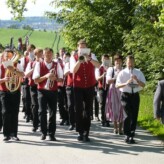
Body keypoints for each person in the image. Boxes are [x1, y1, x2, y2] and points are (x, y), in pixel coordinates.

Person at [70, 39, 100, 142]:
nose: (82, 48)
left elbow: (98, 65)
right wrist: (79, 60)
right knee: (78, 109)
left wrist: (90, 59)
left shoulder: (92, 55)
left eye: (84, 46)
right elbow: (73, 70)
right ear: (78, 47)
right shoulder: (73, 57)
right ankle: (79, 132)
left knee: (88, 110)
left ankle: (86, 132)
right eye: (80, 46)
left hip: (89, 86)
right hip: (78, 86)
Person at [33, 48, 63, 141]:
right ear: (43, 55)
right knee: (42, 112)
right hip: (42, 91)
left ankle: (51, 133)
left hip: (53, 91)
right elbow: (35, 80)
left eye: (50, 54)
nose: (48, 55)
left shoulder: (56, 64)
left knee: (53, 113)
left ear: (52, 55)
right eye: (46, 54)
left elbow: (61, 79)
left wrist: (56, 79)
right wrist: (46, 76)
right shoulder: (38, 64)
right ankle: (43, 132)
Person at [116, 55, 146, 144]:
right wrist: (126, 83)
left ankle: (132, 134)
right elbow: (117, 85)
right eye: (129, 62)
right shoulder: (122, 73)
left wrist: (137, 80)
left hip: (135, 95)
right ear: (126, 62)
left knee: (134, 115)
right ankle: (127, 134)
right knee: (127, 115)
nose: (130, 64)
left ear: (134, 62)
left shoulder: (138, 72)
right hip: (125, 95)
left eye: (132, 62)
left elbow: (143, 85)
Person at [0, 49, 24, 141]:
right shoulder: (0, 66)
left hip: (15, 91)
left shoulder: (17, 65)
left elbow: (22, 75)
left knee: (15, 112)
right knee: (5, 112)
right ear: (3, 57)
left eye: (10, 56)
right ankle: (6, 134)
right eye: (7, 56)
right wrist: (3, 80)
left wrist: (13, 70)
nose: (8, 58)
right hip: (4, 91)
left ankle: (14, 133)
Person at [25, 48, 43, 132]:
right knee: (35, 105)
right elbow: (26, 75)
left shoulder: (44, 63)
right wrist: (34, 67)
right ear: (35, 55)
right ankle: (35, 124)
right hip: (33, 87)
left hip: (42, 86)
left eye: (41, 54)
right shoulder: (31, 63)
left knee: (42, 107)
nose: (40, 56)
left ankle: (41, 124)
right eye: (38, 54)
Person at [105, 54, 124, 134]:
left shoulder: (124, 69)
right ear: (114, 61)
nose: (118, 62)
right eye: (116, 60)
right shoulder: (111, 69)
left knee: (122, 108)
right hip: (113, 90)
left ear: (122, 61)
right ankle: (115, 127)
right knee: (114, 108)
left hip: (122, 90)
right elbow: (108, 80)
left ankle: (120, 128)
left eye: (119, 60)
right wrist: (116, 77)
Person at [95, 54, 111, 127]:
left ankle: (107, 119)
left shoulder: (111, 68)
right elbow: (98, 78)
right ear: (102, 60)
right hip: (101, 88)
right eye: (104, 59)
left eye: (107, 59)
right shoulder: (99, 68)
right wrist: (103, 75)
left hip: (109, 88)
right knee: (103, 103)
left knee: (109, 104)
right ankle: (103, 119)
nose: (105, 60)